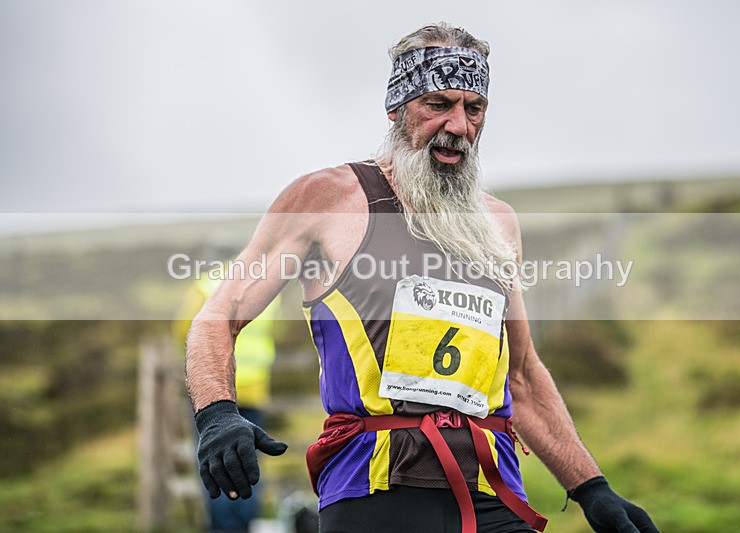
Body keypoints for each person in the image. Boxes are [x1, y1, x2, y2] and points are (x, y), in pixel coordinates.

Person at [185, 22, 659, 533]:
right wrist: (217, 413)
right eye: (438, 104)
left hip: (491, 490)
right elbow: (220, 314)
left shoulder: (498, 223)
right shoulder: (327, 199)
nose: (459, 125)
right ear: (396, 108)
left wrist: (592, 489)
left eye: (474, 108)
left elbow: (520, 375)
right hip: (373, 489)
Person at [176, 265, 281, 532]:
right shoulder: (268, 282)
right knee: (248, 461)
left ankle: (223, 527)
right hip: (253, 387)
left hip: (212, 392)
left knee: (216, 463)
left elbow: (185, 330)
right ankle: (245, 524)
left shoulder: (206, 284)